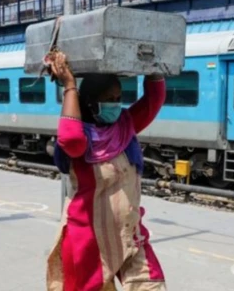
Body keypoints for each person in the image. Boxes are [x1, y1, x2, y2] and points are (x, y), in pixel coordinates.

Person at [45, 51, 167, 291]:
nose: (116, 103)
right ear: (90, 101)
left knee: (152, 285)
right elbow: (69, 139)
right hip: (90, 240)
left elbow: (154, 100)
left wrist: (153, 64)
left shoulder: (125, 125)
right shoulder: (82, 140)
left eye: (119, 97)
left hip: (129, 234)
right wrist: (70, 86)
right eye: (109, 98)